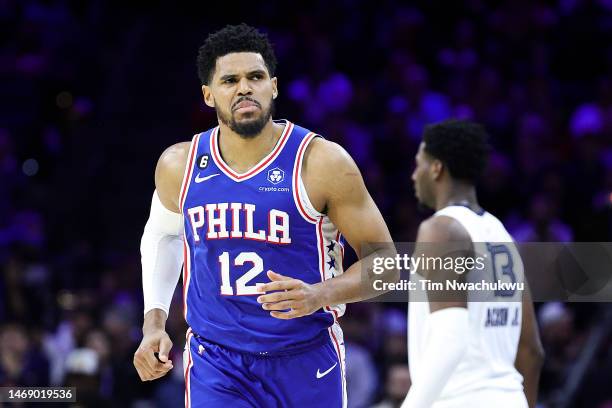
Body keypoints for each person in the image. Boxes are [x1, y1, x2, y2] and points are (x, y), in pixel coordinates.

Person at [132, 24, 395, 408]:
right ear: (208, 95)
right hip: (217, 363)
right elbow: (162, 237)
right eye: (230, 80)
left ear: (273, 86)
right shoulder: (180, 165)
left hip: (305, 358)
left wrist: (320, 294)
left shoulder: (321, 163)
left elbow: (386, 265)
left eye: (255, 77)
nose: (244, 88)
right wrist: (154, 323)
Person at [402, 120, 544, 407]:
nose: (413, 175)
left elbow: (451, 337)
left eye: (418, 164)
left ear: (436, 168)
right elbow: (531, 351)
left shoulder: (441, 229)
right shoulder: (502, 235)